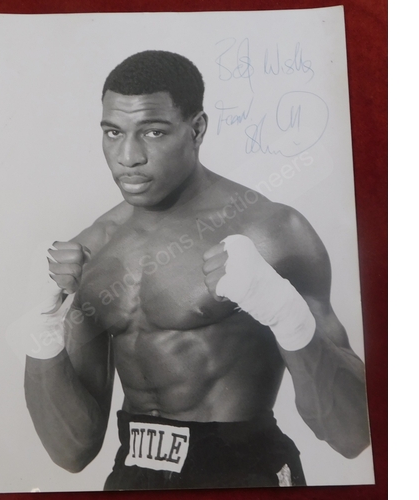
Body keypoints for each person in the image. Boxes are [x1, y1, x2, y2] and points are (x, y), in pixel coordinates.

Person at [24, 50, 370, 490]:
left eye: (153, 131)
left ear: (198, 129)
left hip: (244, 473)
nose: (128, 156)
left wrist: (286, 312)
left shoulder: (271, 230)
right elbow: (73, 451)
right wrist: (42, 344)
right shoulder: (95, 247)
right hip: (133, 475)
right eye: (113, 132)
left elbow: (353, 433)